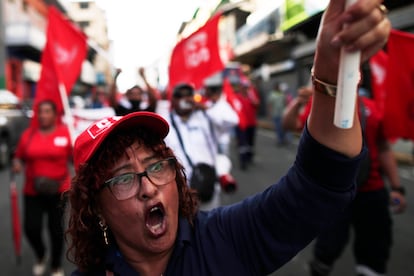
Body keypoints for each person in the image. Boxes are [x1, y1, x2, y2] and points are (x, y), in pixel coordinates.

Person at [66, 1, 390, 275]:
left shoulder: (224, 239)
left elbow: (320, 184)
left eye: (156, 166)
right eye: (124, 179)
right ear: (96, 209)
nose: (149, 187)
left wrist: (332, 74)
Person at [282, 83, 407, 275]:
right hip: (334, 193)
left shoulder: (373, 108)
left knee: (374, 251)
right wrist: (299, 102)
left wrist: (397, 188)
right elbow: (289, 125)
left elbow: (383, 149)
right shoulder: (321, 105)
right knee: (327, 247)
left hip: (371, 192)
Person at [12, 100, 73, 276]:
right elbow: (18, 157)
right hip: (32, 191)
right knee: (31, 228)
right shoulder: (28, 135)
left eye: (47, 112)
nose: (43, 115)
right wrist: (16, 163)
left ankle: (55, 265)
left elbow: (75, 159)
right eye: (40, 112)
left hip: (59, 191)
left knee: (56, 231)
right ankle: (41, 255)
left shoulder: (65, 134)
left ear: (55, 115)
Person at [267, 81, 289, 146]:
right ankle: (280, 140)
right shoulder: (272, 94)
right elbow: (270, 104)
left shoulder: (282, 94)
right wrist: (269, 113)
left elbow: (285, 103)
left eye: (278, 86)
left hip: (282, 114)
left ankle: (283, 139)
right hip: (275, 114)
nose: (278, 87)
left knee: (283, 127)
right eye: (277, 86)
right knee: (278, 128)